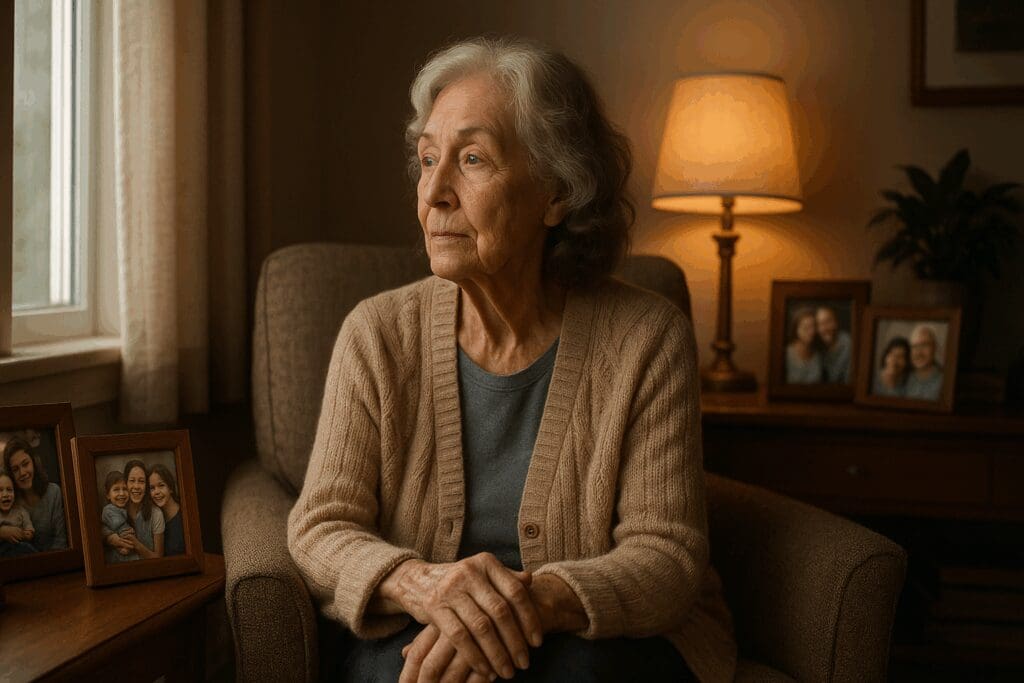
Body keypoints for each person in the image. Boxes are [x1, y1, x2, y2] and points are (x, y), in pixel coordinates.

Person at [288, 37, 735, 683]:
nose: (434, 192)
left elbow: (666, 555)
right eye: (427, 159)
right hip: (421, 625)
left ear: (556, 192)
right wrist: (424, 586)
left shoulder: (646, 337)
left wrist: (526, 602)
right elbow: (321, 526)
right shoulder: (377, 333)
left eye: (472, 159)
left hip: (593, 631)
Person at [1, 437, 67, 552]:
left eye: (25, 464)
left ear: (34, 463)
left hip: (54, 563)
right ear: (11, 475)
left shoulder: (53, 493)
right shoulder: (9, 500)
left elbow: (61, 541)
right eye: (15, 469)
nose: (22, 473)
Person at [104, 460, 164, 560]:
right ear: (126, 482)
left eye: (141, 481)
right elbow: (100, 525)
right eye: (132, 481)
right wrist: (109, 537)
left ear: (147, 486)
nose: (136, 486)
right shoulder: (117, 506)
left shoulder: (156, 514)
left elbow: (158, 557)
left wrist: (136, 544)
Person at [101, 471, 138, 563]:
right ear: (108, 495)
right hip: (118, 557)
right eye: (116, 489)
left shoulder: (124, 509)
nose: (121, 493)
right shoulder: (109, 510)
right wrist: (127, 543)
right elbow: (124, 531)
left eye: (125, 489)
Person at [149, 464, 185, 556]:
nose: (156, 492)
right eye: (152, 488)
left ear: (171, 488)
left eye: (161, 485)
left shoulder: (185, 516)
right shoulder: (155, 519)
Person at [0, 471, 38, 558]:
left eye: (9, 490)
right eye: (0, 490)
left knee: (27, 547)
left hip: (19, 546)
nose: (5, 494)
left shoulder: (20, 511)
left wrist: (28, 533)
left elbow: (28, 526)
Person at [905, 325, 944, 401]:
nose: (918, 353)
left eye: (924, 345)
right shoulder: (903, 378)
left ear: (935, 347)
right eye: (914, 346)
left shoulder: (944, 381)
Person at [785, 307, 823, 384]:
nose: (811, 331)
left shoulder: (818, 355)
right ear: (796, 329)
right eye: (806, 327)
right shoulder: (786, 354)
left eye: (813, 326)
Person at [816, 306, 852, 384]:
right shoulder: (815, 345)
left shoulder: (849, 344)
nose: (824, 328)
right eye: (820, 324)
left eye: (828, 321)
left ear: (836, 322)